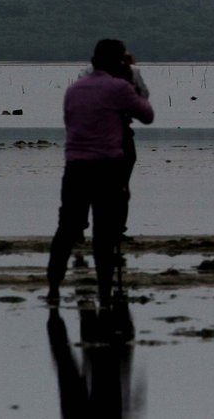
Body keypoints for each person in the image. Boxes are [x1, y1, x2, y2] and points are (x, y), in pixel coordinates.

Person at [47, 39, 154, 306]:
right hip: (107, 166)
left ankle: (53, 287)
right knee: (104, 233)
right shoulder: (120, 87)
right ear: (118, 62)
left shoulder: (74, 89)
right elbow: (147, 114)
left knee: (66, 228)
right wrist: (130, 79)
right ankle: (105, 291)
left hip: (75, 166)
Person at [78, 51, 149, 242]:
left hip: (90, 134)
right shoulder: (131, 72)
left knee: (87, 185)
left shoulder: (86, 73)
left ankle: (80, 229)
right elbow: (144, 99)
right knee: (120, 185)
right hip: (119, 134)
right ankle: (116, 229)